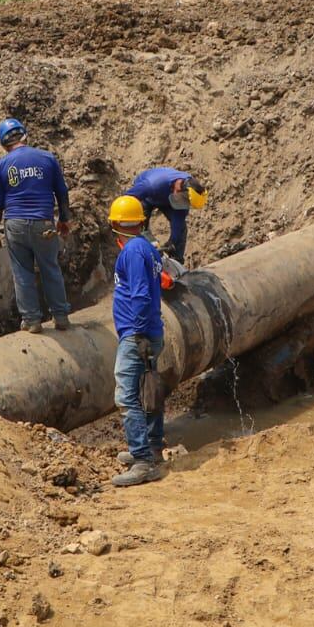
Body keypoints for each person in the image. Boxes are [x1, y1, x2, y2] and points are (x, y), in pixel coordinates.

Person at [0, 118, 73, 333]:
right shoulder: (47, 158)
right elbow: (61, 192)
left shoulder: (1, 166)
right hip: (43, 223)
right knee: (50, 268)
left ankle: (32, 320)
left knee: (22, 272)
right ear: (25, 135)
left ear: (4, 144)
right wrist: (64, 218)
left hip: (15, 225)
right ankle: (61, 316)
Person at [108, 194, 169, 488]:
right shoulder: (146, 247)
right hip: (148, 330)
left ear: (115, 225)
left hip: (137, 332)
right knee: (149, 389)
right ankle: (153, 447)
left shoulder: (132, 251)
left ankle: (144, 461)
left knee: (127, 396)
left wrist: (139, 334)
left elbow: (142, 295)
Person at [123, 166, 208, 262]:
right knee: (138, 227)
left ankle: (177, 262)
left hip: (167, 199)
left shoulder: (185, 194)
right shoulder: (152, 184)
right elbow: (127, 198)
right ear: (178, 188)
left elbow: (178, 222)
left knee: (181, 230)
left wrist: (172, 243)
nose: (186, 204)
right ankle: (140, 257)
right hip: (146, 197)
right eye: (185, 201)